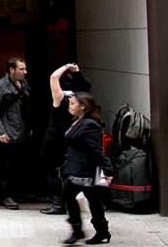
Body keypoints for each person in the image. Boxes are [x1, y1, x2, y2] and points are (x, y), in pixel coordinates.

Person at [61, 92, 114, 245]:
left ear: (83, 106)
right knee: (71, 196)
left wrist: (108, 169)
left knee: (93, 200)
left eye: (73, 104)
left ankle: (98, 231)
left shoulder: (90, 125)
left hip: (86, 170)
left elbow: (96, 150)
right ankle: (79, 229)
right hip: (75, 168)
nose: (70, 106)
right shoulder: (78, 121)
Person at [42, 62, 91, 215]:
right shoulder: (81, 99)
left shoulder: (61, 97)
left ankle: (57, 203)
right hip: (73, 137)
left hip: (55, 138)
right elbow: (85, 84)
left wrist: (65, 67)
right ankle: (70, 202)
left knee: (52, 170)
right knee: (69, 170)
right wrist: (76, 71)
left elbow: (53, 77)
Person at [0, 56, 31, 209]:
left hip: (21, 129)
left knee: (17, 164)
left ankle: (17, 193)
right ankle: (4, 195)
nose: (25, 72)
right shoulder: (0, 85)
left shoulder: (23, 84)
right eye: (21, 69)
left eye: (25, 69)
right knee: (5, 165)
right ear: (12, 70)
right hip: (7, 129)